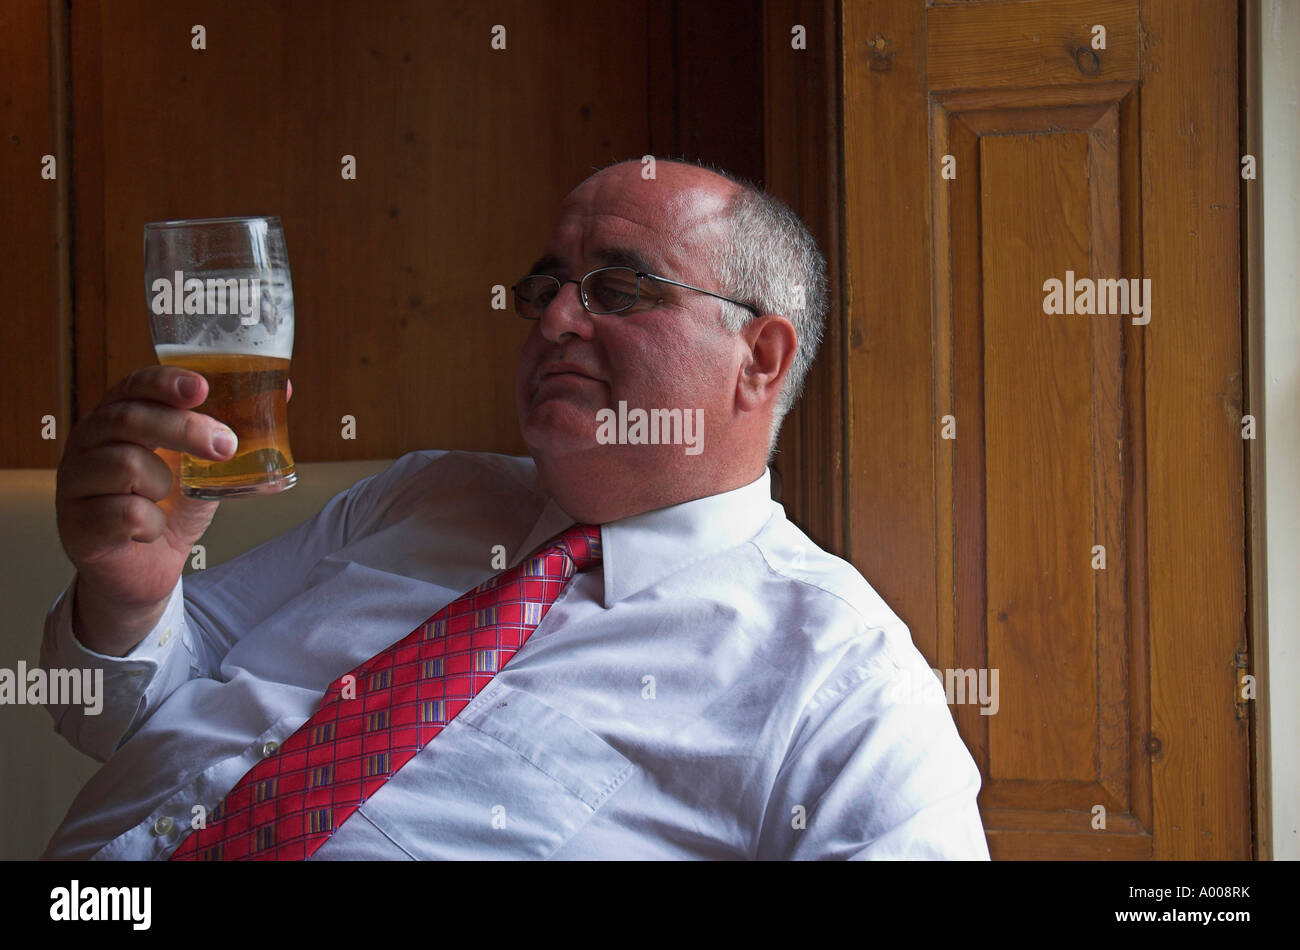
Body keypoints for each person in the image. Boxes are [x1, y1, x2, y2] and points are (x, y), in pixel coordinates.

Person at [39, 158, 990, 860]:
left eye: (619, 288)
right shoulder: (420, 493)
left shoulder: (839, 674)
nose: (555, 319)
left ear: (760, 358)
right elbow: (113, 713)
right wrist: (129, 600)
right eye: (546, 287)